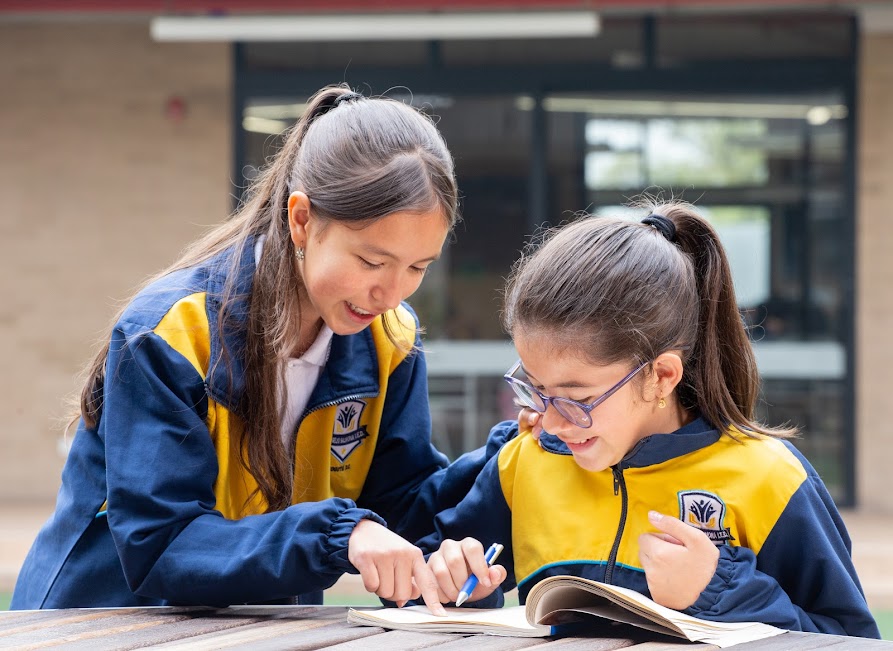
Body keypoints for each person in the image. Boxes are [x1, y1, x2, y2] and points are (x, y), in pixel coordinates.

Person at [12, 84, 463, 612]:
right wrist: (338, 535)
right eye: (371, 261)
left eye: (418, 268)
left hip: (252, 624)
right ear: (301, 220)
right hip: (98, 622)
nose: (390, 293)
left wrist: (460, 538)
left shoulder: (391, 339)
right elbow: (163, 546)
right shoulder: (171, 333)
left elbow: (399, 507)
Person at [417, 201, 881, 638]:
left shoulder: (771, 479)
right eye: (536, 389)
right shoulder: (524, 462)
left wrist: (718, 591)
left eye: (577, 398)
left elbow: (851, 640)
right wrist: (458, 584)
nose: (551, 423)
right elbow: (422, 582)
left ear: (661, 376)